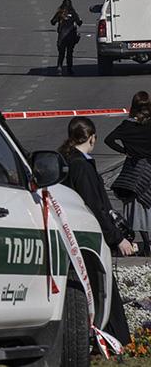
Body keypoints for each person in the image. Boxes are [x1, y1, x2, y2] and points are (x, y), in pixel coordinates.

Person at [58, 117, 135, 346]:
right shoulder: (81, 166)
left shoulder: (69, 160)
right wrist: (117, 238)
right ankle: (116, 341)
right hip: (87, 237)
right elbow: (96, 206)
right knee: (104, 290)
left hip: (75, 236)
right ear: (92, 138)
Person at [106, 91, 151, 256]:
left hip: (134, 170)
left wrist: (125, 150)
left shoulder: (127, 126)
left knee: (137, 206)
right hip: (149, 169)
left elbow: (109, 139)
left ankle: (147, 244)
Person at [50, 0, 82, 75]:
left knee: (61, 53)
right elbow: (79, 23)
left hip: (62, 37)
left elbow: (52, 22)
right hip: (71, 36)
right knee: (69, 53)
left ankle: (59, 67)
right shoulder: (73, 13)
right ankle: (69, 69)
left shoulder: (60, 13)